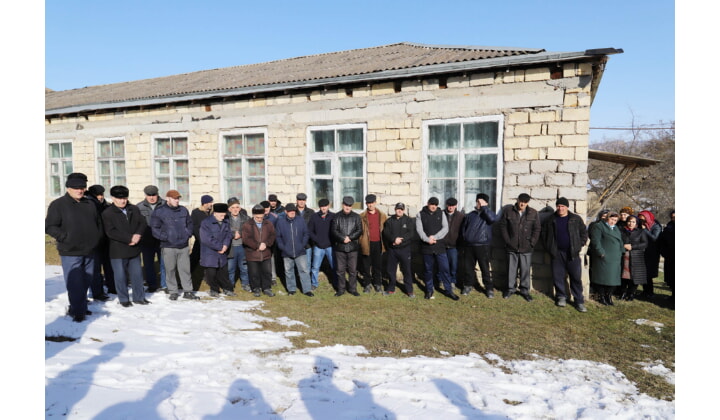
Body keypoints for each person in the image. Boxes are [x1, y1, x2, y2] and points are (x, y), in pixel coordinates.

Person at [45, 173, 104, 322]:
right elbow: (50, 226)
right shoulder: (58, 204)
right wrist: (65, 237)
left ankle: (79, 306)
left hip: (89, 249)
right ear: (68, 188)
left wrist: (96, 238)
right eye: (76, 188)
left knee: (86, 280)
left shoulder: (90, 204)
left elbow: (98, 223)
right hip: (70, 251)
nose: (80, 190)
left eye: (82, 188)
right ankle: (78, 311)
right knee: (75, 282)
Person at [102, 185, 149, 307]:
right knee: (120, 276)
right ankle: (123, 299)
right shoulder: (107, 213)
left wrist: (138, 235)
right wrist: (129, 238)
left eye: (125, 198)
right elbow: (110, 231)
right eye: (120, 198)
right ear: (113, 198)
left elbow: (142, 223)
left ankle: (139, 297)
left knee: (137, 275)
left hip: (134, 248)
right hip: (118, 250)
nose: (123, 201)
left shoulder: (133, 209)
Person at [150, 190, 199, 301]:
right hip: (168, 246)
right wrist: (165, 237)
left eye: (178, 198)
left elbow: (190, 224)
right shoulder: (160, 211)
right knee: (170, 269)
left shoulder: (183, 210)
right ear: (168, 199)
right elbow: (155, 228)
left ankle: (188, 291)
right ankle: (173, 291)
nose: (177, 200)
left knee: (185, 269)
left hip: (183, 245)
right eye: (174, 198)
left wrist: (188, 234)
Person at [541, 197, 588, 312]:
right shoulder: (550, 219)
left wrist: (579, 245)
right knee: (558, 276)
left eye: (562, 206)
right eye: (558, 206)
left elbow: (584, 233)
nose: (560, 208)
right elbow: (543, 234)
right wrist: (549, 247)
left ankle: (579, 301)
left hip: (572, 253)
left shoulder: (575, 219)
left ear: (567, 207)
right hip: (556, 253)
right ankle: (561, 296)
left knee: (576, 278)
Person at [499, 193, 541, 301]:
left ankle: (524, 290)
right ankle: (510, 289)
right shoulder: (509, 211)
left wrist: (532, 243)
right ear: (517, 200)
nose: (522, 204)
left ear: (528, 203)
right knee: (511, 270)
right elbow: (503, 226)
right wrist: (508, 241)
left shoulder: (533, 213)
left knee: (525, 270)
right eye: (521, 201)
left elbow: (537, 229)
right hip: (511, 246)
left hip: (526, 247)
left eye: (525, 202)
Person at [416, 197, 458, 301]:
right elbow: (419, 230)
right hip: (427, 247)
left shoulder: (441, 213)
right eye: (432, 204)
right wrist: (427, 240)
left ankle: (448, 290)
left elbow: (445, 228)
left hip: (439, 246)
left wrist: (435, 237)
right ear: (428, 203)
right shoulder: (420, 214)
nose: (434, 206)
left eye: (436, 204)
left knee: (445, 269)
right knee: (428, 270)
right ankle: (429, 290)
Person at [461, 193, 497, 298]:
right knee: (468, 268)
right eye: (478, 201)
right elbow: (464, 228)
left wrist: (484, 208)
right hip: (469, 245)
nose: (479, 204)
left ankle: (489, 288)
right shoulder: (471, 215)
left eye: (481, 202)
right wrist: (465, 238)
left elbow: (492, 219)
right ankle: (468, 285)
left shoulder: (489, 214)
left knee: (485, 268)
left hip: (483, 245)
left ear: (486, 203)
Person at [275, 203, 314, 297]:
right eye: (290, 211)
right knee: (289, 271)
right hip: (286, 252)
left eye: (293, 211)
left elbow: (306, 233)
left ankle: (307, 290)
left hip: (300, 251)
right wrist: (282, 247)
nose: (292, 212)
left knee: (304, 270)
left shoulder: (300, 220)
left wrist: (302, 245)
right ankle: (291, 289)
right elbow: (278, 237)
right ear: (286, 212)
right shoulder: (280, 222)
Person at [200, 202, 236, 297]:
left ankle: (227, 289)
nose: (223, 217)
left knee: (223, 272)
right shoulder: (206, 223)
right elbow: (206, 239)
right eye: (221, 215)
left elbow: (228, 234)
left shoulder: (226, 221)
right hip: (210, 252)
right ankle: (214, 289)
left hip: (222, 252)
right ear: (215, 213)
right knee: (211, 273)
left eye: (224, 215)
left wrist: (225, 245)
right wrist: (220, 247)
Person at [588, 211, 624, 306]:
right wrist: (601, 252)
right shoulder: (599, 226)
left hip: (615, 257)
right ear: (607, 218)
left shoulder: (615, 228)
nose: (613, 222)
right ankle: (602, 296)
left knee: (613, 279)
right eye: (612, 219)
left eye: (615, 220)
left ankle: (609, 296)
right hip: (604, 256)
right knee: (602, 278)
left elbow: (620, 240)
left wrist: (622, 251)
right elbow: (595, 241)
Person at [85, 184, 114, 298]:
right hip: (95, 241)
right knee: (95, 268)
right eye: (98, 195)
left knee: (109, 266)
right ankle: (97, 292)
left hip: (106, 240)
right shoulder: (89, 205)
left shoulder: (105, 205)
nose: (100, 197)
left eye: (101, 194)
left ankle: (112, 287)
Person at [330, 196, 362, 297]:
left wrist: (350, 238)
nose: (347, 207)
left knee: (353, 270)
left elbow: (359, 230)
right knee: (340, 270)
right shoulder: (336, 216)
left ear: (352, 206)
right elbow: (334, 230)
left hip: (353, 247)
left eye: (349, 205)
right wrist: (342, 238)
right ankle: (341, 289)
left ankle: (353, 289)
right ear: (342, 205)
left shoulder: (357, 217)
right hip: (340, 247)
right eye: (346, 205)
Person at [242, 204, 277, 297]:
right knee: (254, 273)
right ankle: (256, 288)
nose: (259, 219)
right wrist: (257, 246)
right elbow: (246, 239)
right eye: (257, 217)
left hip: (266, 253)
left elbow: (272, 235)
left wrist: (266, 244)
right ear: (253, 215)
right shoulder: (247, 225)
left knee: (267, 272)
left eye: (261, 217)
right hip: (252, 253)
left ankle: (267, 288)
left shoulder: (268, 224)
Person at [137, 185, 167, 293]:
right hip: (147, 240)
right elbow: (137, 223)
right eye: (149, 195)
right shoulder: (139, 207)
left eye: (153, 195)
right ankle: (152, 285)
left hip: (162, 240)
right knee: (148, 264)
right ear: (145, 195)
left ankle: (165, 285)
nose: (151, 197)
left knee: (164, 264)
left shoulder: (165, 205)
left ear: (157, 194)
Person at [382, 203, 415, 297]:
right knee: (391, 270)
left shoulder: (408, 220)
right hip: (392, 250)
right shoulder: (389, 221)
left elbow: (411, 234)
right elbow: (386, 233)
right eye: (398, 209)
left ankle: (409, 290)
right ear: (395, 209)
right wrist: (393, 240)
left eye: (401, 209)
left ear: (403, 210)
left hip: (404, 249)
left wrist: (401, 241)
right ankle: (391, 289)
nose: (399, 210)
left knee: (406, 270)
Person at [359, 194, 387, 293]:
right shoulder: (362, 216)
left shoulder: (382, 215)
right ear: (366, 204)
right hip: (366, 243)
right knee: (366, 266)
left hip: (378, 243)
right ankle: (367, 284)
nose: (370, 205)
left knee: (377, 265)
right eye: (368, 203)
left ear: (375, 203)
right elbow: (359, 231)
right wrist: (361, 241)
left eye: (372, 203)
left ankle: (377, 284)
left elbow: (386, 230)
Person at [308, 198, 336, 291]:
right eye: (322, 206)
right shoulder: (314, 217)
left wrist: (332, 241)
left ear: (329, 206)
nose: (323, 208)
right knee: (315, 267)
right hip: (318, 246)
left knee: (334, 266)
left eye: (325, 206)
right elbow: (310, 231)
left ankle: (336, 282)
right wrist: (317, 240)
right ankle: (314, 283)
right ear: (319, 207)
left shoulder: (333, 216)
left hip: (330, 246)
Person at [618, 215, 648, 301]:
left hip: (636, 257)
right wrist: (623, 246)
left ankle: (631, 293)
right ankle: (623, 292)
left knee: (635, 276)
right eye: (629, 221)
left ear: (636, 223)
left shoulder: (641, 232)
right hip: (624, 256)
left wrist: (632, 246)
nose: (631, 223)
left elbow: (645, 243)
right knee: (624, 275)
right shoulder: (622, 231)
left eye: (633, 222)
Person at [190, 194, 214, 290]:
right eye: (210, 202)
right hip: (200, 241)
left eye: (212, 202)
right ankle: (188, 274)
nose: (211, 204)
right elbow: (194, 227)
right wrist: (200, 238)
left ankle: (208, 277)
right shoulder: (196, 212)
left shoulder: (212, 213)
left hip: (211, 241)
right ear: (204, 203)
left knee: (210, 260)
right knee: (194, 259)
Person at [637, 210, 662, 300]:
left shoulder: (656, 226)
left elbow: (654, 238)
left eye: (643, 220)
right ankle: (645, 291)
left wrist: (644, 230)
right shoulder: (641, 225)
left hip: (652, 253)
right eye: (640, 220)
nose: (642, 222)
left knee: (649, 273)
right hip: (643, 251)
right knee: (643, 273)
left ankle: (650, 292)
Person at [226, 197, 250, 292]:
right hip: (231, 247)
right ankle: (230, 285)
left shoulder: (246, 218)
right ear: (229, 209)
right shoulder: (226, 219)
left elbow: (249, 230)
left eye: (237, 207)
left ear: (240, 208)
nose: (235, 209)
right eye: (233, 207)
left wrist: (240, 233)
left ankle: (245, 284)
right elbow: (223, 231)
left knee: (244, 267)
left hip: (242, 246)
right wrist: (233, 234)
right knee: (230, 268)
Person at [443, 197, 465, 293]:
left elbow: (463, 230)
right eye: (449, 205)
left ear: (456, 206)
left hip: (454, 245)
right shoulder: (441, 214)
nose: (450, 207)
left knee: (453, 266)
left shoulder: (460, 216)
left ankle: (452, 281)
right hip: (442, 244)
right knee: (442, 265)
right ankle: (442, 280)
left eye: (452, 205)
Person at [658, 210, 675, 306]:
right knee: (671, 277)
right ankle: (673, 295)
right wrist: (663, 252)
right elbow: (662, 240)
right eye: (672, 217)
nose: (674, 219)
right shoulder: (668, 227)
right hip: (670, 256)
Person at [295, 193, 315, 268]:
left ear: (305, 201)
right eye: (300, 200)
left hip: (308, 242)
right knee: (296, 263)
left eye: (303, 200)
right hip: (296, 242)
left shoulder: (311, 212)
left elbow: (313, 227)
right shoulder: (293, 211)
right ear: (296, 201)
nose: (301, 202)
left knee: (307, 263)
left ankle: (307, 276)